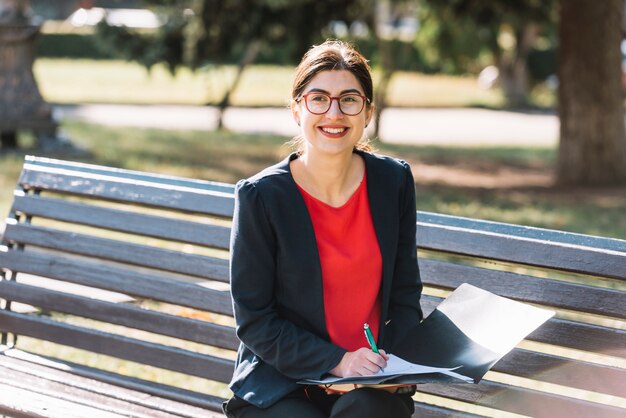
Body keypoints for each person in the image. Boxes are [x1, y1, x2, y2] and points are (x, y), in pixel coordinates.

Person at [223, 40, 423, 418]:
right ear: (297, 109)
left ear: (368, 112)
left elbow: (404, 292)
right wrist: (338, 361)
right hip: (283, 382)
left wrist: (395, 364)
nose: (334, 113)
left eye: (349, 99)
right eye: (319, 98)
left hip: (369, 379)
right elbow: (256, 320)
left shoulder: (392, 181)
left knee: (366, 411)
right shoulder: (261, 196)